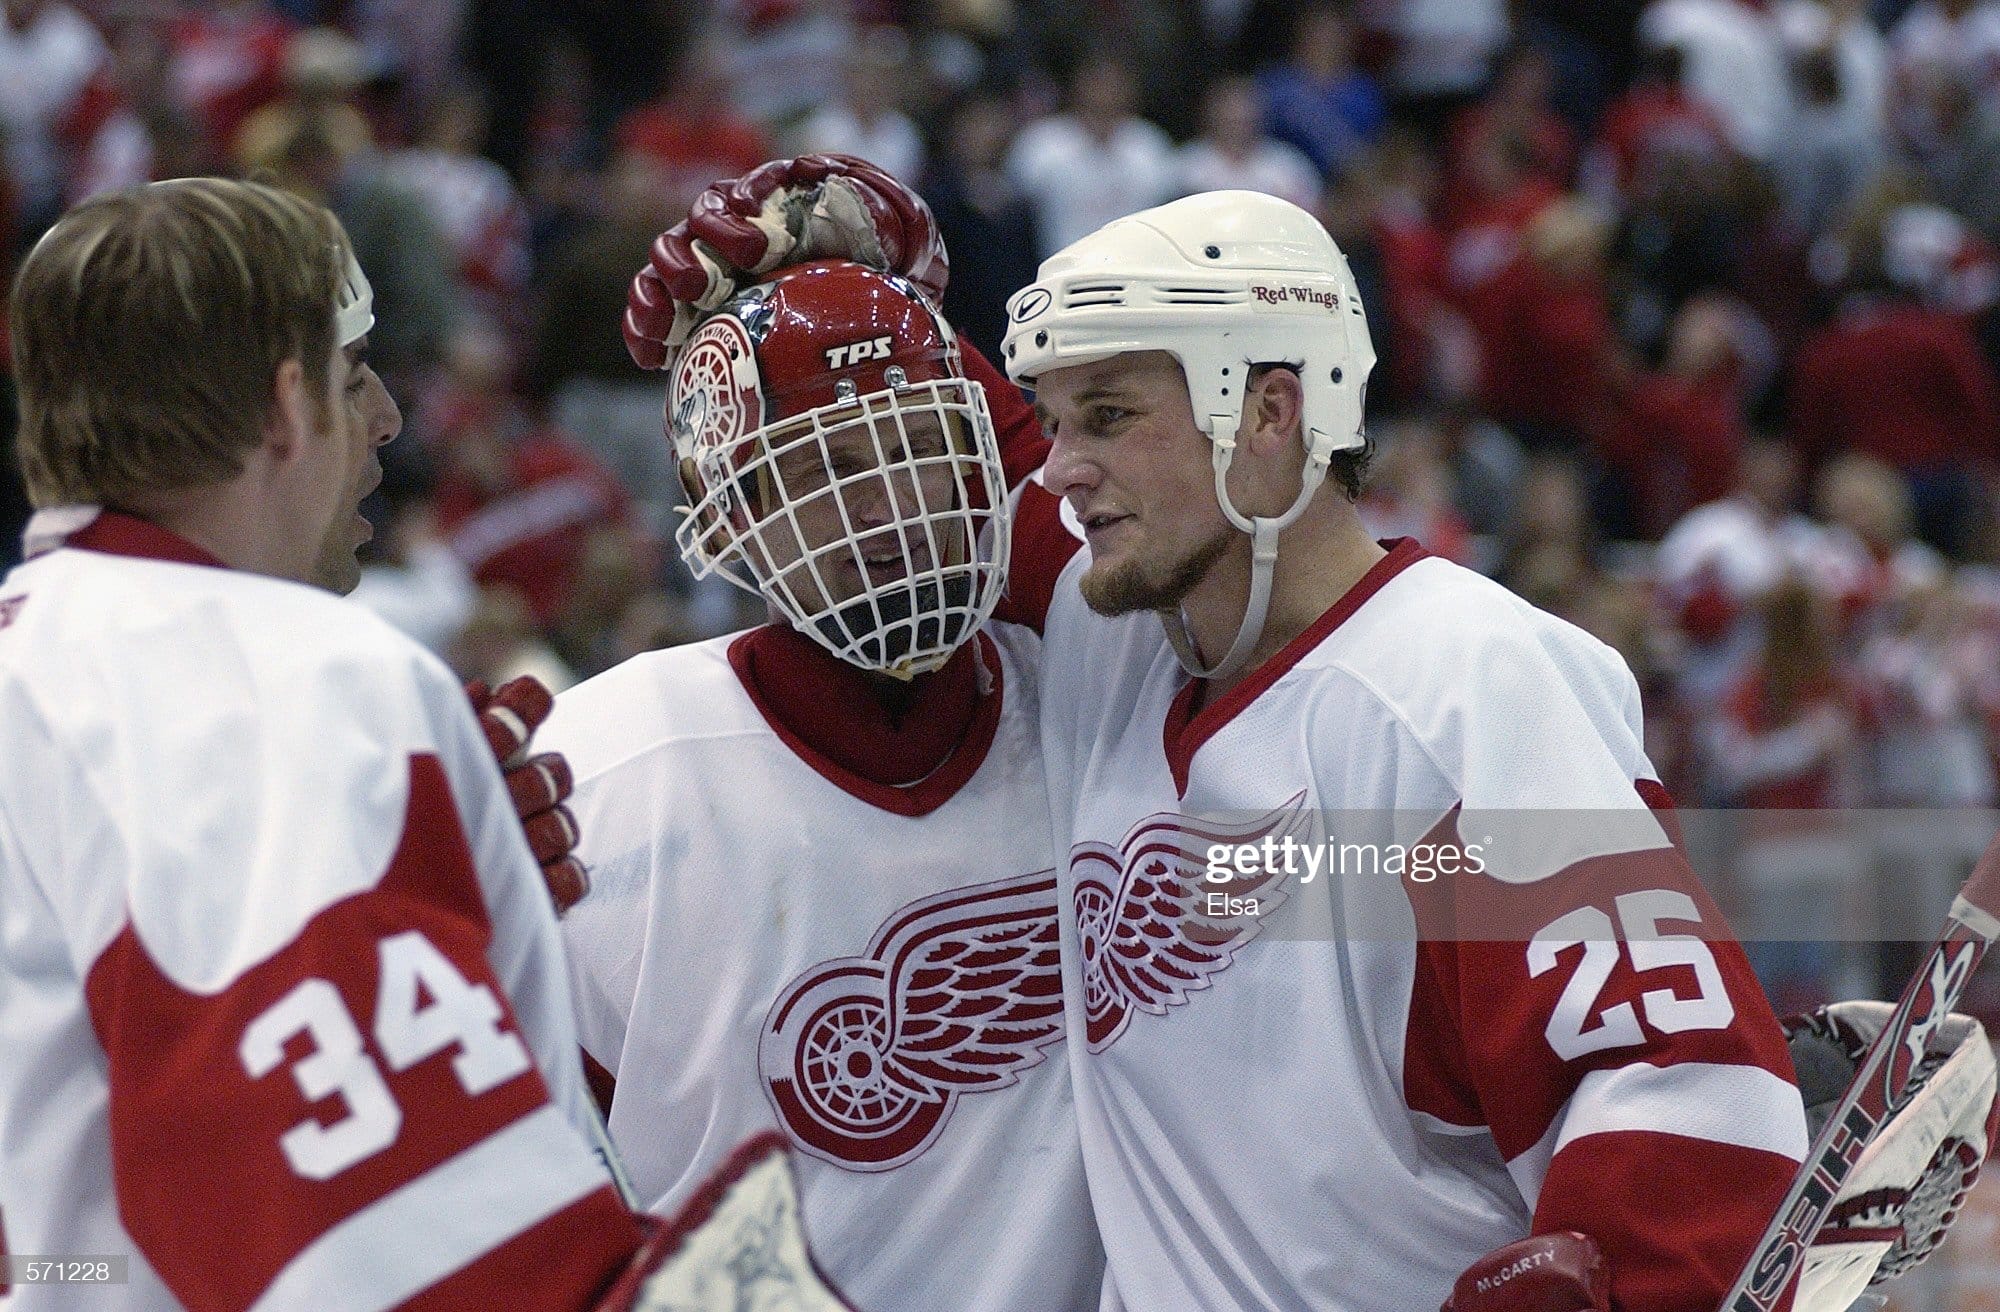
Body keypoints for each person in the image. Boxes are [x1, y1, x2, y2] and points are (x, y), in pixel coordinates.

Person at [623, 161, 1995, 1312]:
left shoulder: (1458, 682)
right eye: (1051, 417)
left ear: (1270, 413)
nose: (1057, 462)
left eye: (1106, 417)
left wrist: (1644, 1262)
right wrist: (852, 295)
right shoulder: (1132, 643)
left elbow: (1673, 1077)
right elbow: (931, 499)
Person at [0, 177, 844, 1311]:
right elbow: (376, 1244)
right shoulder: (295, 682)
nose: (390, 418)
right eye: (357, 374)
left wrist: (444, 922)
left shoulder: (42, 661)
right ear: (289, 407)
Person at [541, 252, 1103, 1310]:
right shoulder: (603, 775)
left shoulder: (1103, 706)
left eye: (917, 448)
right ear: (732, 509)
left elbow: (1388, 881)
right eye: (826, 466)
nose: (887, 506)